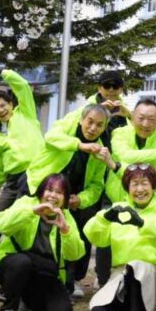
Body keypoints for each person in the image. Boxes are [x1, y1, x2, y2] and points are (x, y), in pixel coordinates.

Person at [25, 104, 116, 296]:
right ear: (82, 120)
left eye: (99, 125)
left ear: (104, 127)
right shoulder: (67, 127)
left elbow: (97, 185)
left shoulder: (101, 151)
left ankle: (71, 281)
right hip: (41, 187)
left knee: (75, 232)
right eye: (90, 122)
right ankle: (23, 275)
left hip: (71, 198)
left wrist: (80, 199)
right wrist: (80, 145)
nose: (93, 128)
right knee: (32, 231)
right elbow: (51, 137)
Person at [85, 164, 156, 311]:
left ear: (153, 185)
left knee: (138, 266)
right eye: (134, 184)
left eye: (144, 183)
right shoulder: (119, 208)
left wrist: (143, 224)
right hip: (120, 274)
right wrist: (104, 219)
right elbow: (95, 237)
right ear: (127, 188)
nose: (140, 189)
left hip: (153, 273)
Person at [0, 69, 45, 286]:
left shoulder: (26, 114)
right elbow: (0, 167)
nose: (1, 110)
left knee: (26, 224)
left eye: (3, 105)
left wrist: (4, 73)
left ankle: (24, 276)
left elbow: (22, 86)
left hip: (34, 176)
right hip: (13, 181)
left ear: (11, 104)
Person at [0, 174, 85, 311]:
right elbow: (2, 226)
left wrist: (65, 230)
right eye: (49, 190)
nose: (53, 196)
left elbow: (75, 255)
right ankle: (9, 308)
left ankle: (25, 298)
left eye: (59, 192)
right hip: (13, 264)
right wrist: (32, 212)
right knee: (22, 262)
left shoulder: (66, 216)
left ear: (65, 198)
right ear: (41, 191)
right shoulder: (26, 203)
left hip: (44, 273)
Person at [99, 98, 156, 288]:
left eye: (151, 119)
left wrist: (118, 167)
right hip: (114, 196)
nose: (145, 124)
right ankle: (105, 284)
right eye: (141, 118)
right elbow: (123, 155)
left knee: (138, 242)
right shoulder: (119, 133)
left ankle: (135, 287)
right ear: (132, 118)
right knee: (106, 242)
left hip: (143, 203)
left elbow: (153, 175)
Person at [85, 70, 132, 147]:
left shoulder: (125, 110)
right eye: (106, 86)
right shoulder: (87, 106)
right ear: (99, 88)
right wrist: (97, 110)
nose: (111, 89)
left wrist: (130, 116)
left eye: (115, 86)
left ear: (121, 90)